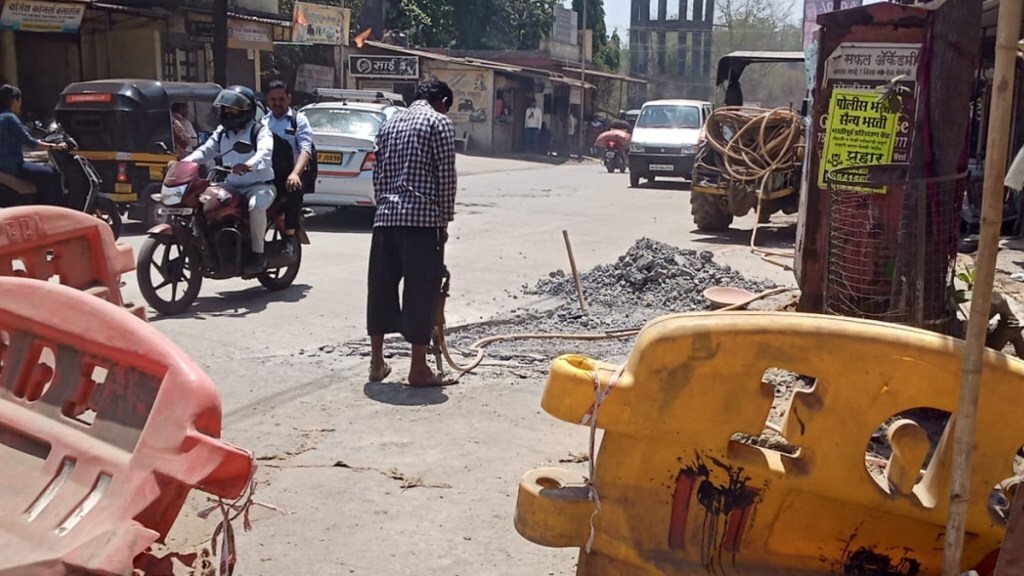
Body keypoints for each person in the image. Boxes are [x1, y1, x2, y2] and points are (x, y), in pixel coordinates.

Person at [366, 79, 457, 387]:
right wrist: (443, 220)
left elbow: (377, 175)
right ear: (442, 101)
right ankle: (418, 368)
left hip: (386, 219)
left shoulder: (389, 124)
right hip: (422, 221)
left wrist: (384, 207)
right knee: (422, 292)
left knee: (380, 288)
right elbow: (446, 178)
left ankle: (377, 363)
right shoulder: (438, 122)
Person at [181, 85, 275, 273]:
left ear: (245, 109)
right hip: (231, 185)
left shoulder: (259, 131)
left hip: (258, 186)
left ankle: (258, 254)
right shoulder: (222, 132)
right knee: (202, 202)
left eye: (232, 107)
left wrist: (248, 164)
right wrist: (184, 162)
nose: (228, 112)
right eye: (225, 107)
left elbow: (265, 153)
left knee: (255, 206)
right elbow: (206, 151)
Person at [262, 80, 314, 252]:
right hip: (266, 175)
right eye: (273, 99)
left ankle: (289, 238)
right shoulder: (262, 123)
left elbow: (305, 149)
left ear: (289, 98)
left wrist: (295, 174)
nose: (277, 103)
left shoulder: (298, 120)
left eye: (281, 99)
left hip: (291, 174)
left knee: (293, 191)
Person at [0, 84, 67, 206]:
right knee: (51, 173)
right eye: (19, 100)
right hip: (14, 166)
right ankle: (51, 209)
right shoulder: (10, 118)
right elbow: (32, 144)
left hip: (3, 166)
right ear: (15, 100)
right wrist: (55, 146)